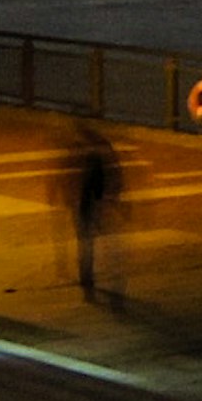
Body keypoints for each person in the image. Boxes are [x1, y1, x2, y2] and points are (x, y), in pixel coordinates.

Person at [69, 119, 121, 301]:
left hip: (88, 204)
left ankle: (87, 276)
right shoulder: (101, 148)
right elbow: (113, 174)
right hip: (94, 203)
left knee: (86, 242)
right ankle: (93, 276)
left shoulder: (81, 151)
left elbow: (75, 180)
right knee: (95, 242)